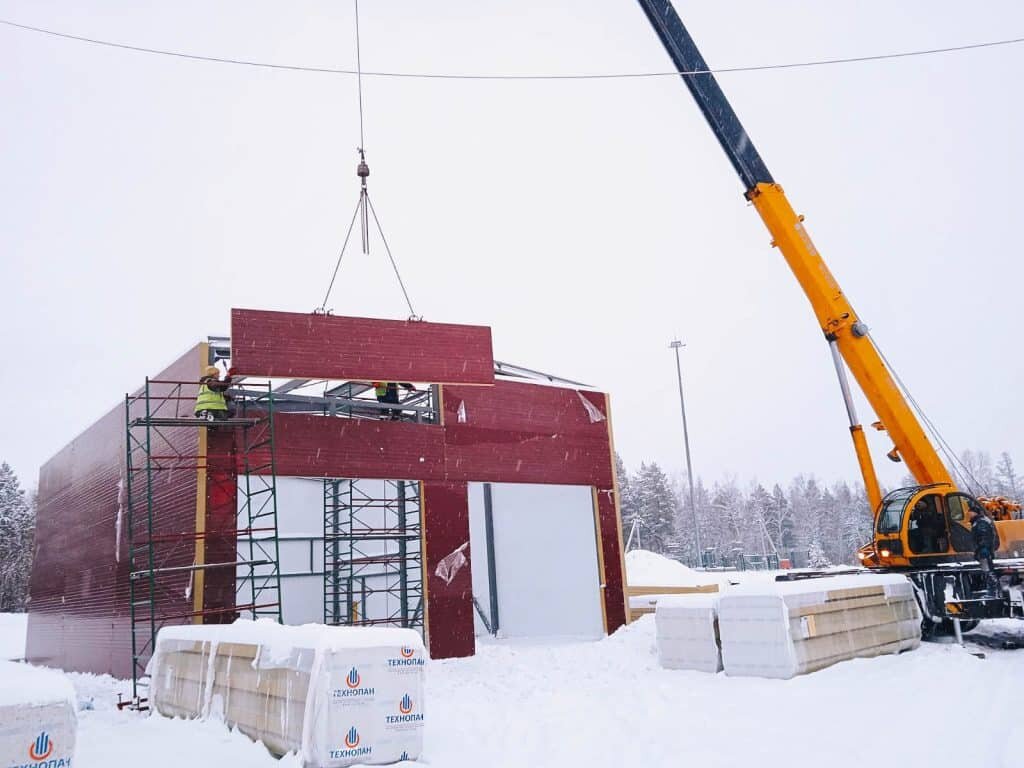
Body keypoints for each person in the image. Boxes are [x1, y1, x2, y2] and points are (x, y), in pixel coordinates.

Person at [968, 501, 1000, 594]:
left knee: (988, 570)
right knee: (986, 569)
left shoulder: (981, 522)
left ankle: (993, 591)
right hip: (982, 550)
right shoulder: (979, 521)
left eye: (970, 513)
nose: (969, 515)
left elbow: (984, 536)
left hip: (984, 551)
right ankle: (991, 590)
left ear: (975, 513)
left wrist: (983, 548)